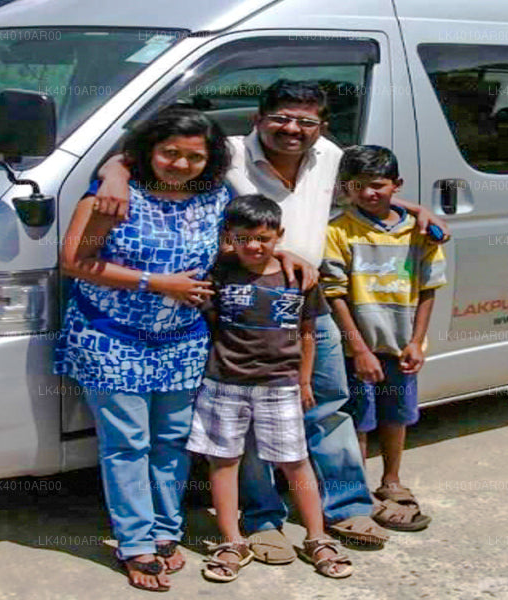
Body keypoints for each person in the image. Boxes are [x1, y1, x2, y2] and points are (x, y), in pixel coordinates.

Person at [95, 80, 450, 558]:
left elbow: (364, 192)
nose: (293, 129)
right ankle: (263, 520)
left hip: (308, 299)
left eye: (306, 121)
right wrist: (115, 173)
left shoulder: (329, 154)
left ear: (321, 127)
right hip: (241, 306)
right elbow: (152, 151)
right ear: (259, 118)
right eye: (282, 117)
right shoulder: (228, 154)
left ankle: (346, 506)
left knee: (327, 403)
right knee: (251, 416)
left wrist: (414, 207)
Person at [56, 107, 232, 592]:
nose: (180, 164)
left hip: (182, 339)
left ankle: (165, 532)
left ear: (210, 158)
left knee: (173, 441)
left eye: (193, 156)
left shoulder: (217, 197)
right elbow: (74, 262)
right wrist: (157, 284)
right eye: (169, 152)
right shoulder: (113, 198)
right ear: (148, 151)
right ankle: (135, 543)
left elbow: (244, 242)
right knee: (127, 444)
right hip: (112, 337)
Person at [187, 194, 354, 582]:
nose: (254, 246)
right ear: (229, 236)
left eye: (263, 238)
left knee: (294, 461)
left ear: (279, 235)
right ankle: (231, 540)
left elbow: (308, 334)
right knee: (223, 461)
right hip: (223, 384)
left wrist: (305, 380)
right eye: (244, 238)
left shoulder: (300, 277)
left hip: (280, 386)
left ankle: (317, 537)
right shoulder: (219, 270)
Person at [321, 145, 447, 532]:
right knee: (359, 420)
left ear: (397, 185)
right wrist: (358, 348)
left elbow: (429, 288)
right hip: (358, 348)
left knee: (397, 416)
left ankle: (391, 480)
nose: (369, 193)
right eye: (357, 186)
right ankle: (358, 491)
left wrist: (416, 341)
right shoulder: (338, 230)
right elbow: (335, 293)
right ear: (346, 187)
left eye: (377, 185)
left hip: (400, 346)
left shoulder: (420, 232)